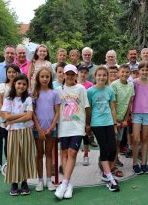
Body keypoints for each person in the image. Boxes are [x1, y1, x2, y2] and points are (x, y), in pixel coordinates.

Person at [55, 64, 90, 199]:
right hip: (63, 127)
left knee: (72, 152)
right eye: (67, 74)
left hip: (77, 126)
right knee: (63, 153)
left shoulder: (81, 89)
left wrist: (87, 124)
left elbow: (87, 107)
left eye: (72, 74)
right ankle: (68, 183)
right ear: (63, 75)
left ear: (76, 75)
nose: (69, 76)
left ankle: (64, 183)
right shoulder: (58, 90)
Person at [1, 74, 37, 195]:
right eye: (19, 83)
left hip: (26, 131)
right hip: (13, 132)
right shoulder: (8, 99)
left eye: (24, 84)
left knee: (25, 156)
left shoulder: (27, 99)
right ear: (14, 84)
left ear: (27, 86)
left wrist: (12, 120)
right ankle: (14, 183)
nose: (21, 86)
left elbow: (29, 116)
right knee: (13, 157)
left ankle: (24, 182)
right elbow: (6, 116)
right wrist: (21, 115)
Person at [87, 66, 119, 192]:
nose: (102, 77)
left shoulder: (109, 90)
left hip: (109, 123)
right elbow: (88, 109)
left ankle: (107, 173)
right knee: (104, 148)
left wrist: (115, 124)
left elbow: (112, 108)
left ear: (107, 77)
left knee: (112, 148)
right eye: (99, 75)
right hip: (97, 123)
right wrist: (88, 125)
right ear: (95, 76)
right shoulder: (90, 91)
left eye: (104, 75)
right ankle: (110, 177)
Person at [32, 67, 60, 192]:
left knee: (49, 154)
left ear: (50, 78)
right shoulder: (34, 93)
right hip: (37, 129)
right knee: (39, 154)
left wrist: (51, 128)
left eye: (47, 77)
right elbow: (32, 113)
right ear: (38, 78)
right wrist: (38, 128)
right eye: (42, 76)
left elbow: (57, 112)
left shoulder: (54, 93)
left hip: (50, 129)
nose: (44, 79)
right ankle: (40, 180)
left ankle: (49, 180)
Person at [132, 61, 148, 174]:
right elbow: (131, 97)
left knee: (145, 137)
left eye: (147, 70)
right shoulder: (134, 83)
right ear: (139, 71)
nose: (144, 72)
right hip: (136, 113)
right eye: (142, 70)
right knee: (136, 139)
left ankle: (143, 163)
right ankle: (134, 163)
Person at [111, 64, 134, 177]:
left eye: (127, 72)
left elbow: (129, 103)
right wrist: (115, 122)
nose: (124, 74)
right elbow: (112, 105)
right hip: (112, 119)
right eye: (122, 72)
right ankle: (110, 166)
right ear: (119, 73)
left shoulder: (130, 86)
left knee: (118, 143)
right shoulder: (114, 85)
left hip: (122, 119)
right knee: (112, 143)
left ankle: (114, 163)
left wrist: (125, 120)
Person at [0, 64, 20, 173]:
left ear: (17, 73)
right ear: (6, 73)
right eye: (9, 72)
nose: (11, 74)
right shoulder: (2, 86)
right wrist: (5, 118)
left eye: (14, 72)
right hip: (5, 120)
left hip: (18, 120)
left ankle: (18, 164)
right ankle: (9, 164)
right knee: (8, 141)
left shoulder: (20, 86)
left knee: (17, 141)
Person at [0, 45, 16, 174]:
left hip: (13, 109)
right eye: (8, 53)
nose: (9, 55)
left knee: (9, 137)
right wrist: (2, 113)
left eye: (12, 53)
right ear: (4, 54)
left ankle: (10, 163)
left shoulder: (16, 70)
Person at [81, 47, 98, 147]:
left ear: (91, 55)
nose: (87, 56)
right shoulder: (79, 66)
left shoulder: (96, 68)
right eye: (85, 55)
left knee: (89, 118)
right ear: (82, 55)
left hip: (91, 95)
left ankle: (90, 138)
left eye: (89, 55)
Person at [77, 65, 93, 166]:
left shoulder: (90, 85)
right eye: (81, 72)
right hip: (76, 113)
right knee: (76, 134)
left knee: (86, 134)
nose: (83, 74)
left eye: (85, 72)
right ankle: (74, 155)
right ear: (78, 73)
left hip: (86, 112)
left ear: (87, 74)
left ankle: (86, 155)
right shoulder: (74, 84)